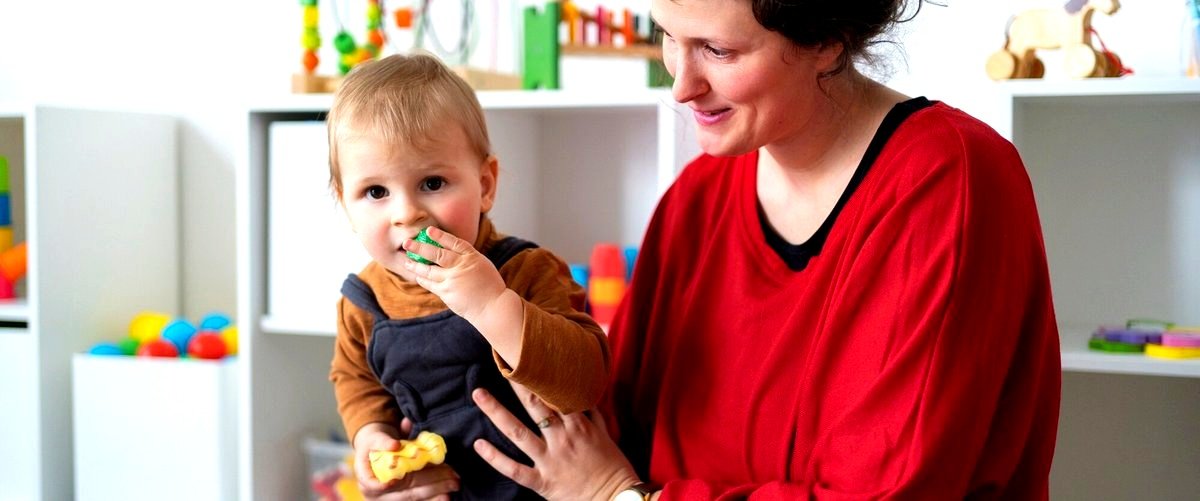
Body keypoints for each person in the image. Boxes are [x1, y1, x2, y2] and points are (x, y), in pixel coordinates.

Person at [469, 0, 1063, 499]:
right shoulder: (696, 198)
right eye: (669, 38)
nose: (680, 85)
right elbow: (609, 426)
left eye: (719, 51)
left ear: (828, 39)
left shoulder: (950, 178)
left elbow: (891, 488)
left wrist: (620, 495)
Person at [325, 53, 609, 500]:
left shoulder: (527, 271)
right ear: (346, 205)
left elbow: (585, 384)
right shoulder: (364, 302)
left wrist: (493, 306)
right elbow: (355, 380)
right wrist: (370, 435)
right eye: (376, 192)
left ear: (486, 185)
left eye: (433, 183)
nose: (406, 214)